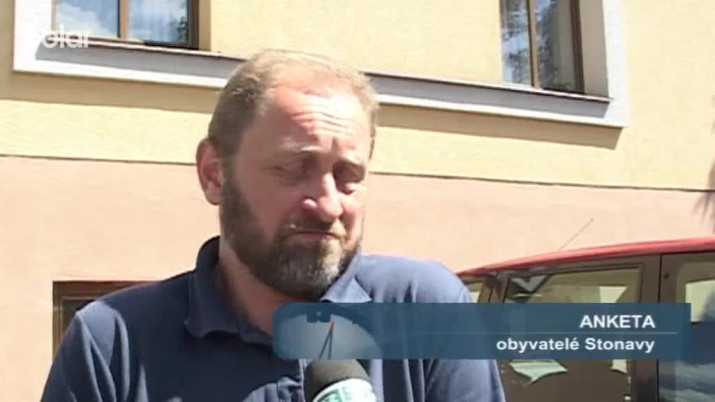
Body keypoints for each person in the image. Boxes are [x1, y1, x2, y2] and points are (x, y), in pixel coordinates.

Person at [41, 49, 505, 401]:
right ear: (214, 175)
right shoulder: (114, 341)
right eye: (293, 169)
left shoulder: (427, 307)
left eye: (348, 176)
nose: (328, 206)